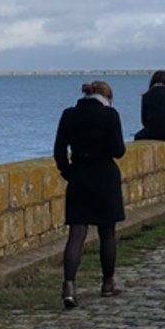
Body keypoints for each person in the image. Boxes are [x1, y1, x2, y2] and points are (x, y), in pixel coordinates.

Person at [53, 80, 127, 308]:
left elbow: (58, 150)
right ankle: (107, 284)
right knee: (107, 233)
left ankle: (69, 286)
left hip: (80, 176)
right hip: (105, 176)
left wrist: (69, 172)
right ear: (107, 96)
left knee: (76, 234)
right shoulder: (110, 115)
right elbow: (118, 150)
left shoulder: (69, 114)